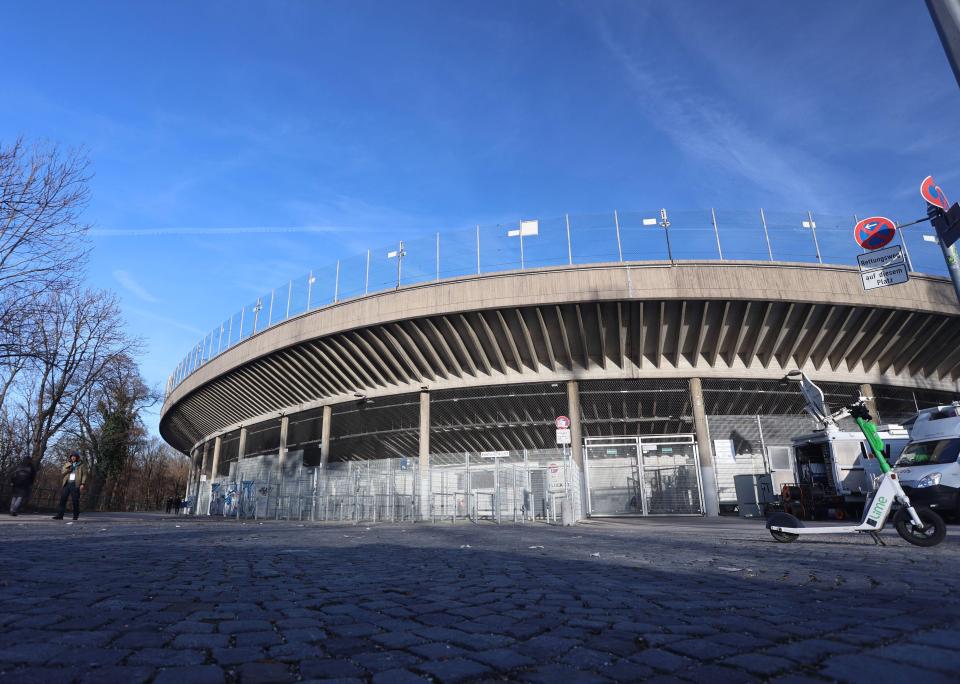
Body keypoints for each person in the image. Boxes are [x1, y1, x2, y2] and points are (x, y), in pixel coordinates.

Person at [52, 451, 87, 521]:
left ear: (77, 457)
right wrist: (68, 470)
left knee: (75, 500)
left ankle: (75, 515)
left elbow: (84, 475)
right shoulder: (67, 464)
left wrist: (83, 483)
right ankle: (60, 515)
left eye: (74, 456)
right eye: (72, 456)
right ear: (70, 457)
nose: (73, 458)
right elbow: (62, 472)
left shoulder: (81, 465)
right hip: (67, 483)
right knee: (63, 500)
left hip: (75, 484)